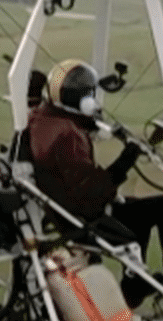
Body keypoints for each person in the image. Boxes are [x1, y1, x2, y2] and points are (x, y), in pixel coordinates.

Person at [26, 59, 142, 222]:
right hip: (79, 213)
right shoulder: (69, 135)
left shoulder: (39, 118)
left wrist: (88, 123)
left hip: (55, 205)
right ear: (84, 101)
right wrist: (125, 161)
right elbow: (90, 191)